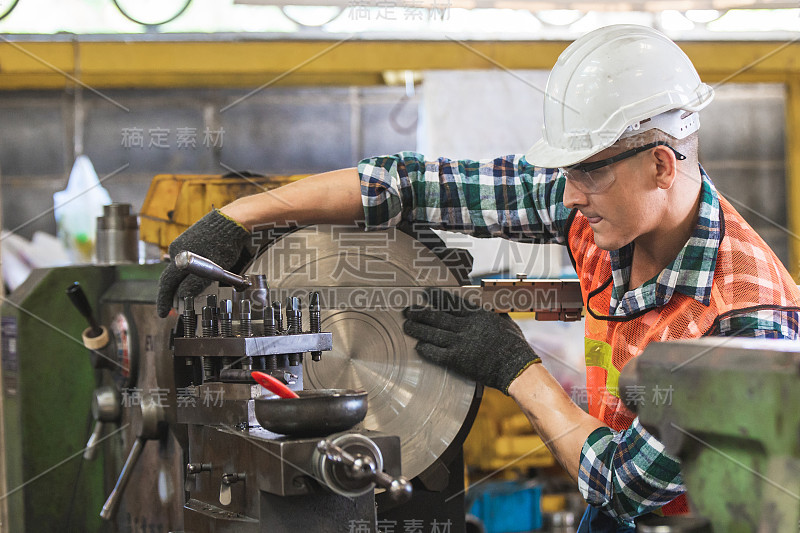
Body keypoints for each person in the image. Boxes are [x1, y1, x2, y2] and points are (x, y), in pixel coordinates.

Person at [156, 25, 800, 531]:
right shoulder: (606, 210)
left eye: (588, 174)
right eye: (568, 172)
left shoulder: (746, 320)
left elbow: (629, 484)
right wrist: (237, 217)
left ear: (662, 165)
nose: (568, 196)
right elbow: (407, 185)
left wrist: (514, 366)